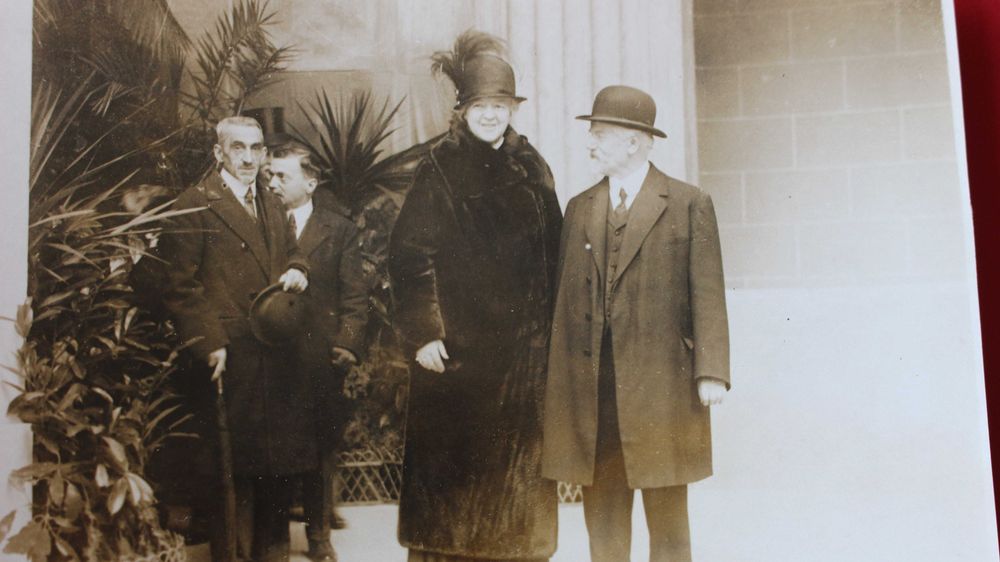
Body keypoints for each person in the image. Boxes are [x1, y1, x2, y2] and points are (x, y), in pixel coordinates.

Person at [388, 30, 563, 562]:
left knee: (516, 501)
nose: (491, 115)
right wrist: (425, 334)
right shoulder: (439, 167)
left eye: (501, 105)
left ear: (513, 109)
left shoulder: (531, 165)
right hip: (458, 361)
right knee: (454, 506)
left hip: (522, 362)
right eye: (481, 105)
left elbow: (554, 253)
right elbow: (408, 254)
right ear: (462, 109)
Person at [541, 85, 731, 562]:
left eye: (599, 133)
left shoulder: (688, 203)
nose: (590, 143)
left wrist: (711, 371)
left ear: (633, 140)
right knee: (602, 512)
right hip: (595, 389)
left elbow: (707, 293)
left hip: (661, 386)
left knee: (667, 514)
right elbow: (563, 303)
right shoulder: (580, 208)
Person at [158, 116, 312, 562]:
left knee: (273, 467)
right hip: (230, 355)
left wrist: (299, 269)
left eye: (256, 148)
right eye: (238, 148)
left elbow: (293, 250)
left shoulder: (271, 201)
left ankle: (269, 555)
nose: (248, 158)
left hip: (275, 352)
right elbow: (180, 287)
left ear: (265, 153)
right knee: (229, 473)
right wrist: (210, 342)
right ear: (218, 153)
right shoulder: (194, 204)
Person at [268, 144, 369, 562]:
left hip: (318, 358)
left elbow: (355, 294)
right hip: (270, 355)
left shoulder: (339, 229)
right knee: (271, 449)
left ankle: (318, 536)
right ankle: (273, 539)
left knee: (318, 451)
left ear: (310, 183)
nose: (272, 184)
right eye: (269, 176)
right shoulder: (261, 221)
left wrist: (346, 342)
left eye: (282, 177)